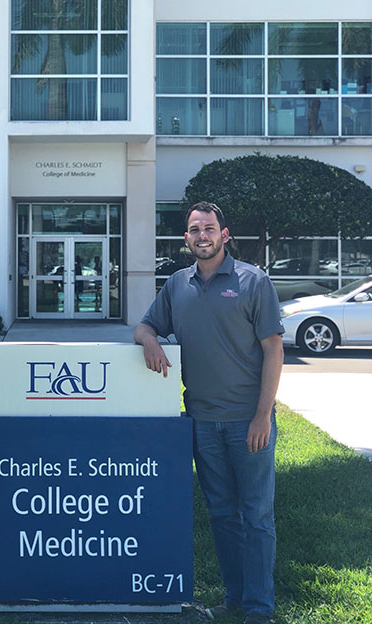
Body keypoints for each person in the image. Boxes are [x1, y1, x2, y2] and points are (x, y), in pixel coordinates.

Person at [134, 202, 284, 624]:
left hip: (247, 421)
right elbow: (145, 326)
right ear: (186, 239)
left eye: (209, 228)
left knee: (256, 516)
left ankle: (259, 607)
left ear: (225, 234)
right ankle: (235, 598)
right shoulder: (176, 285)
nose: (202, 235)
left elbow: (274, 349)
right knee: (222, 515)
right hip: (200, 420)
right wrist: (149, 340)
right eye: (195, 229)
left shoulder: (253, 282)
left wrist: (262, 415)